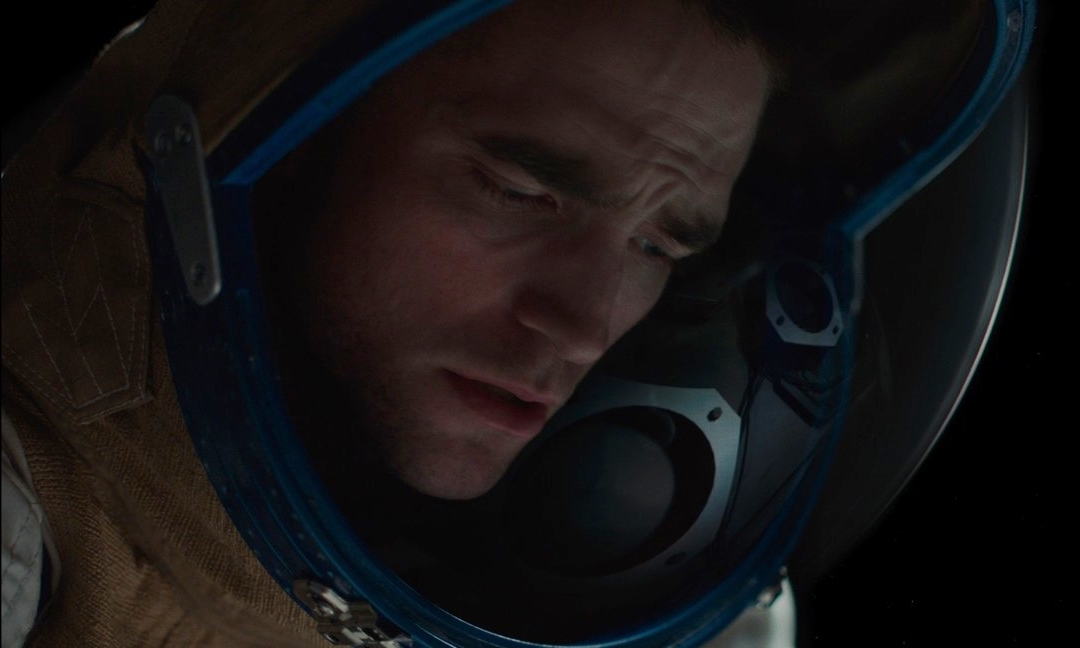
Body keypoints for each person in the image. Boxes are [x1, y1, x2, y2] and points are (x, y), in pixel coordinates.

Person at [1, 0, 1034, 646]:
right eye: (520, 191)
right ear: (272, 135)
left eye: (660, 247)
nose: (584, 324)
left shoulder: (659, 621)